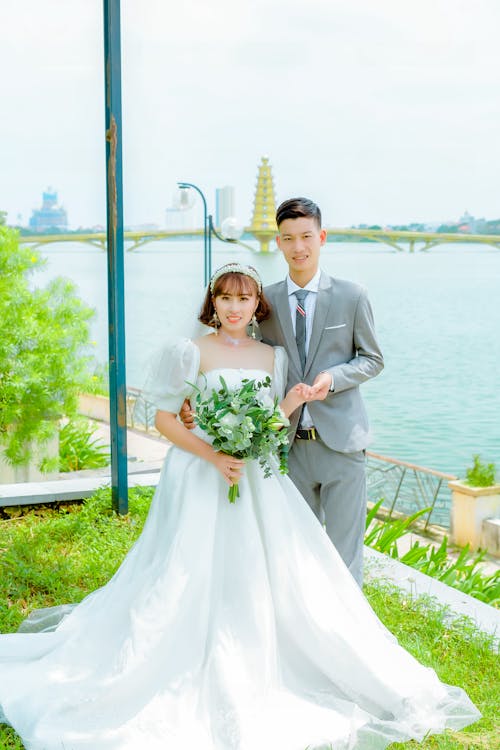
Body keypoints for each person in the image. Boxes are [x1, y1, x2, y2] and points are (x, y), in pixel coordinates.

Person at [0, 265, 479, 750]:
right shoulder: (191, 351)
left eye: (244, 299)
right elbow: (165, 419)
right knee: (186, 572)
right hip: (199, 476)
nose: (234, 307)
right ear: (213, 303)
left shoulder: (271, 356)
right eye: (225, 298)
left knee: (266, 572)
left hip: (257, 479)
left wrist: (289, 405)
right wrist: (215, 455)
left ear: (257, 307)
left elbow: (269, 424)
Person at [260, 197, 384, 585]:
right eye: (289, 238)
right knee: (297, 551)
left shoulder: (352, 295)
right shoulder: (264, 301)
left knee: (344, 558)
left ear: (322, 237)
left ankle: (350, 638)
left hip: (342, 445)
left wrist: (334, 378)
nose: (299, 247)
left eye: (307, 237)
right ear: (278, 242)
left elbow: (372, 359)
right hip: (290, 448)